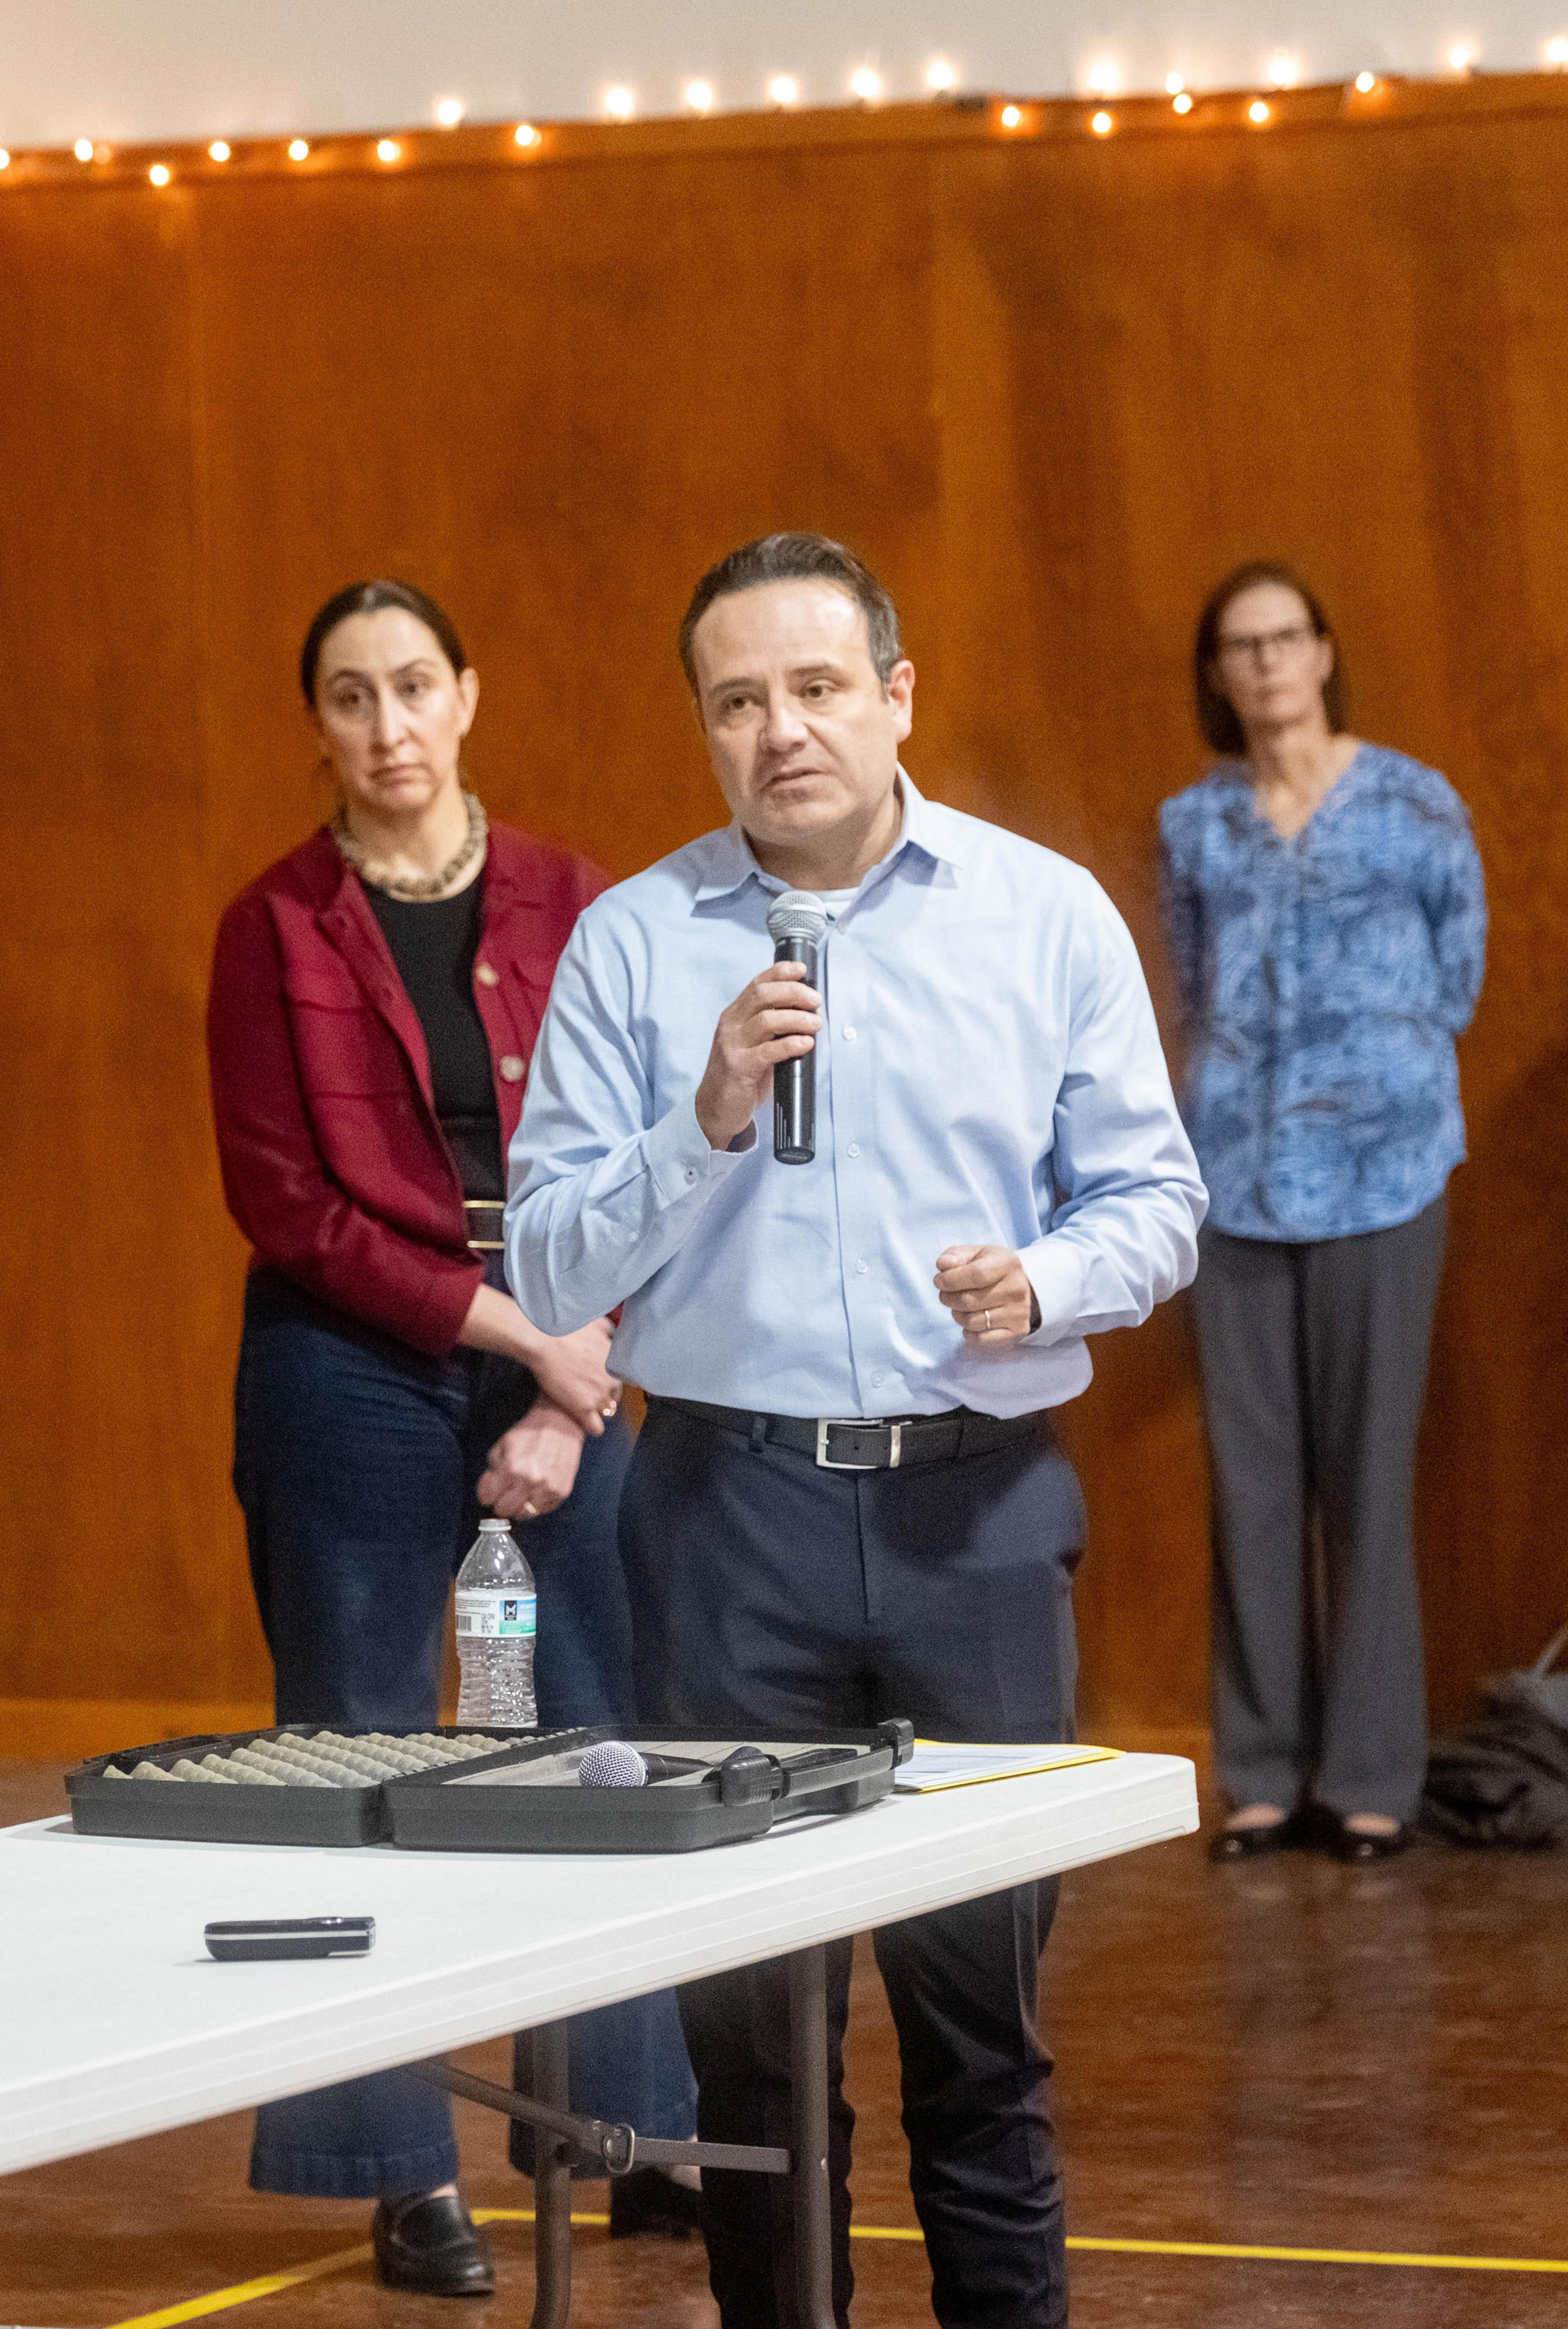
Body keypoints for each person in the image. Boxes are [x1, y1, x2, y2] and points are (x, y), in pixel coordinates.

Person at [507, 534, 1206, 2329]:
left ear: (897, 696)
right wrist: (706, 1111)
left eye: (816, 687)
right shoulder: (632, 942)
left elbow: (1154, 1200)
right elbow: (554, 1252)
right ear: (702, 730)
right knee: (749, 2046)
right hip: (720, 1516)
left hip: (969, 1516)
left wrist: (1044, 1284)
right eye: (736, 701)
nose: (780, 730)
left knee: (979, 2028)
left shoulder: (1041, 914)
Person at [207, 578, 699, 2298]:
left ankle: (624, 2136)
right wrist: (527, 1349)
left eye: (412, 685)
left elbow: (659, 1155)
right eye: (348, 696)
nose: (387, 724)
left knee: (592, 1742)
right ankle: (391, 2165)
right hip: (349, 1368)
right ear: (318, 723)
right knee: (353, 1751)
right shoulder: (270, 926)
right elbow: (286, 1207)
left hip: (575, 1336)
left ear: (467, 694)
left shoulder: (583, 903)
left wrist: (586, 1375)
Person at [1160, 563, 1485, 1866]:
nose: (1268, 663)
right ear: (1219, 676)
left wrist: (1374, 1078)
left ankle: (1368, 1780)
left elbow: (1457, 972)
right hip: (1235, 1179)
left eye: (1287, 637)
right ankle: (1257, 1772)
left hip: (1385, 1177)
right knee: (1251, 1488)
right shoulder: (1195, 823)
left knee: (1366, 1482)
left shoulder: (1414, 801)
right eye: (1240, 646)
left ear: (1323, 650)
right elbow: (1190, 981)